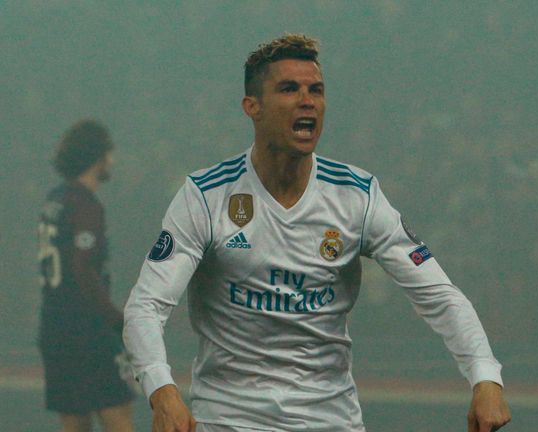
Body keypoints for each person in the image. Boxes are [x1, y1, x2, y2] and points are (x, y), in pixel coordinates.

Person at [123, 34, 511, 432]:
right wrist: (162, 391)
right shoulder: (206, 197)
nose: (308, 101)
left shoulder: (356, 196)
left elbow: (439, 296)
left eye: (316, 90)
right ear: (252, 107)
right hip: (229, 420)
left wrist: (485, 376)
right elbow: (146, 306)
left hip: (330, 420)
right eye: (289, 89)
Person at [38, 120, 134, 432]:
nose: (112, 160)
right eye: (109, 153)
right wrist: (116, 320)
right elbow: (83, 269)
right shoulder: (86, 205)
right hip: (86, 329)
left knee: (75, 420)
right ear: (98, 156)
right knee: (117, 413)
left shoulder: (54, 200)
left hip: (53, 327)